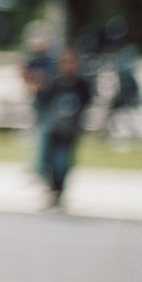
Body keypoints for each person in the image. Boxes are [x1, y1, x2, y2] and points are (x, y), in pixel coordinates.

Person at [34, 43, 94, 209]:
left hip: (69, 131)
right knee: (47, 162)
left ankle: (59, 191)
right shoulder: (54, 82)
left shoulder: (81, 84)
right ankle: (52, 190)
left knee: (63, 162)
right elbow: (42, 102)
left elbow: (87, 102)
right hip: (53, 129)